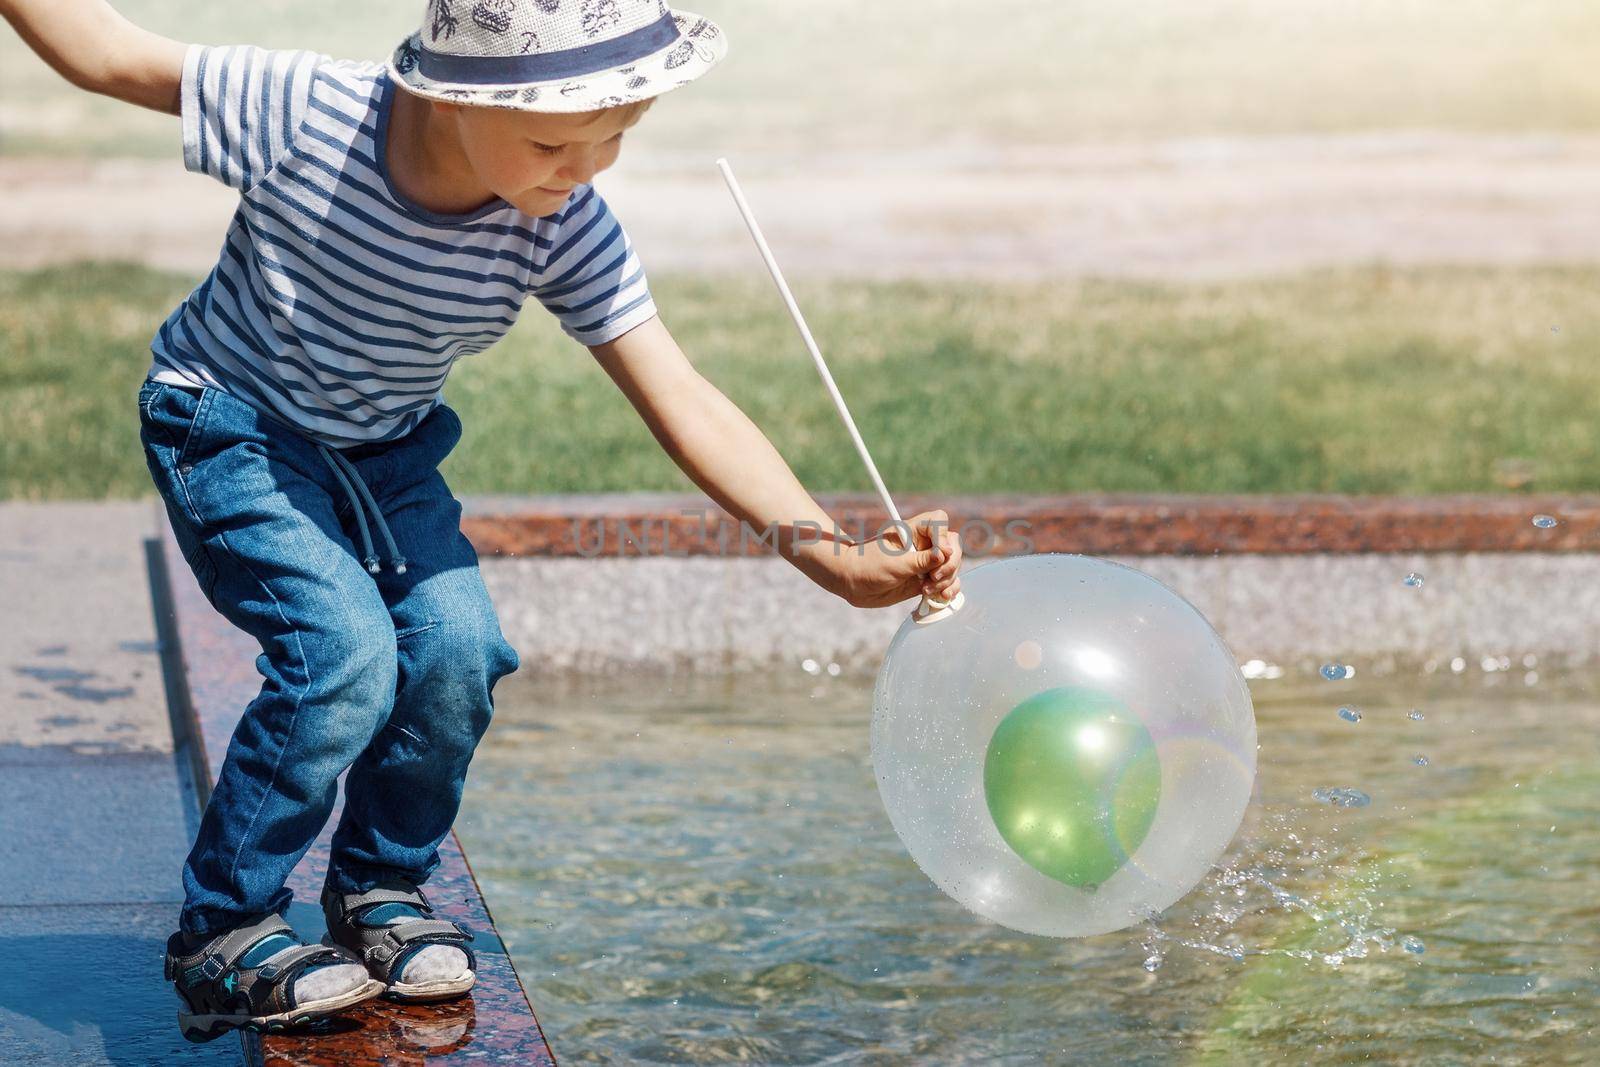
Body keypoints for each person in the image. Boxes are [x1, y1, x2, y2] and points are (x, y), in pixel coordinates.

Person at [1, 0, 964, 1043]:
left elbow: (679, 394)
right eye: (555, 137)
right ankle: (225, 924)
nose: (585, 165)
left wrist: (830, 556)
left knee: (460, 646)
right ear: (451, 95)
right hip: (232, 424)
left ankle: (377, 891)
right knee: (343, 653)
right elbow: (104, 55)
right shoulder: (307, 111)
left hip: (386, 450)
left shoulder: (557, 220)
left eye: (618, 134)